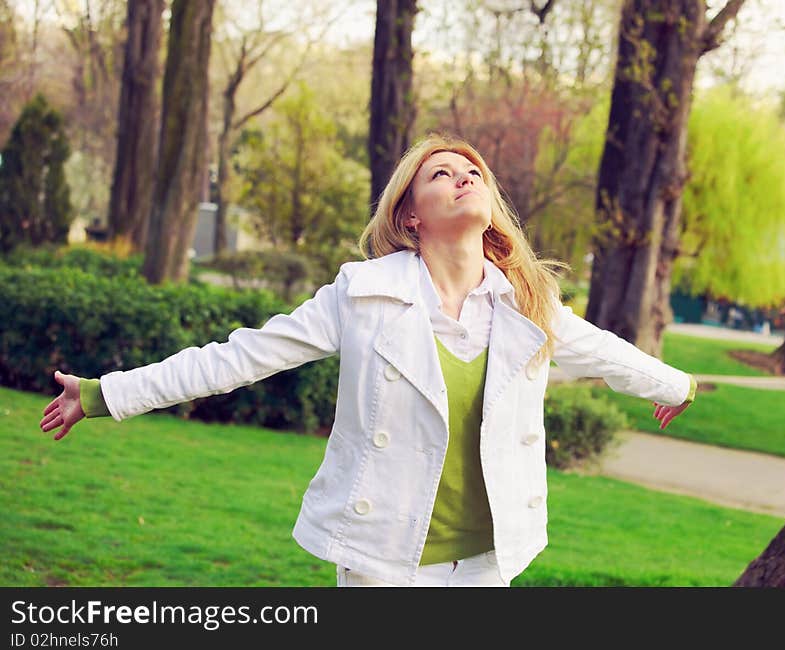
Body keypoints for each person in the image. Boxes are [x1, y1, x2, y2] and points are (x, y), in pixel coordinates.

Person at [39, 134, 696, 587]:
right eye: (442, 173)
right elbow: (239, 356)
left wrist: (678, 383)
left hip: (487, 561)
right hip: (382, 556)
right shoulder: (362, 294)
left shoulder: (525, 303)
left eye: (474, 173)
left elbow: (606, 351)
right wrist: (102, 394)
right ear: (411, 215)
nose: (464, 177)